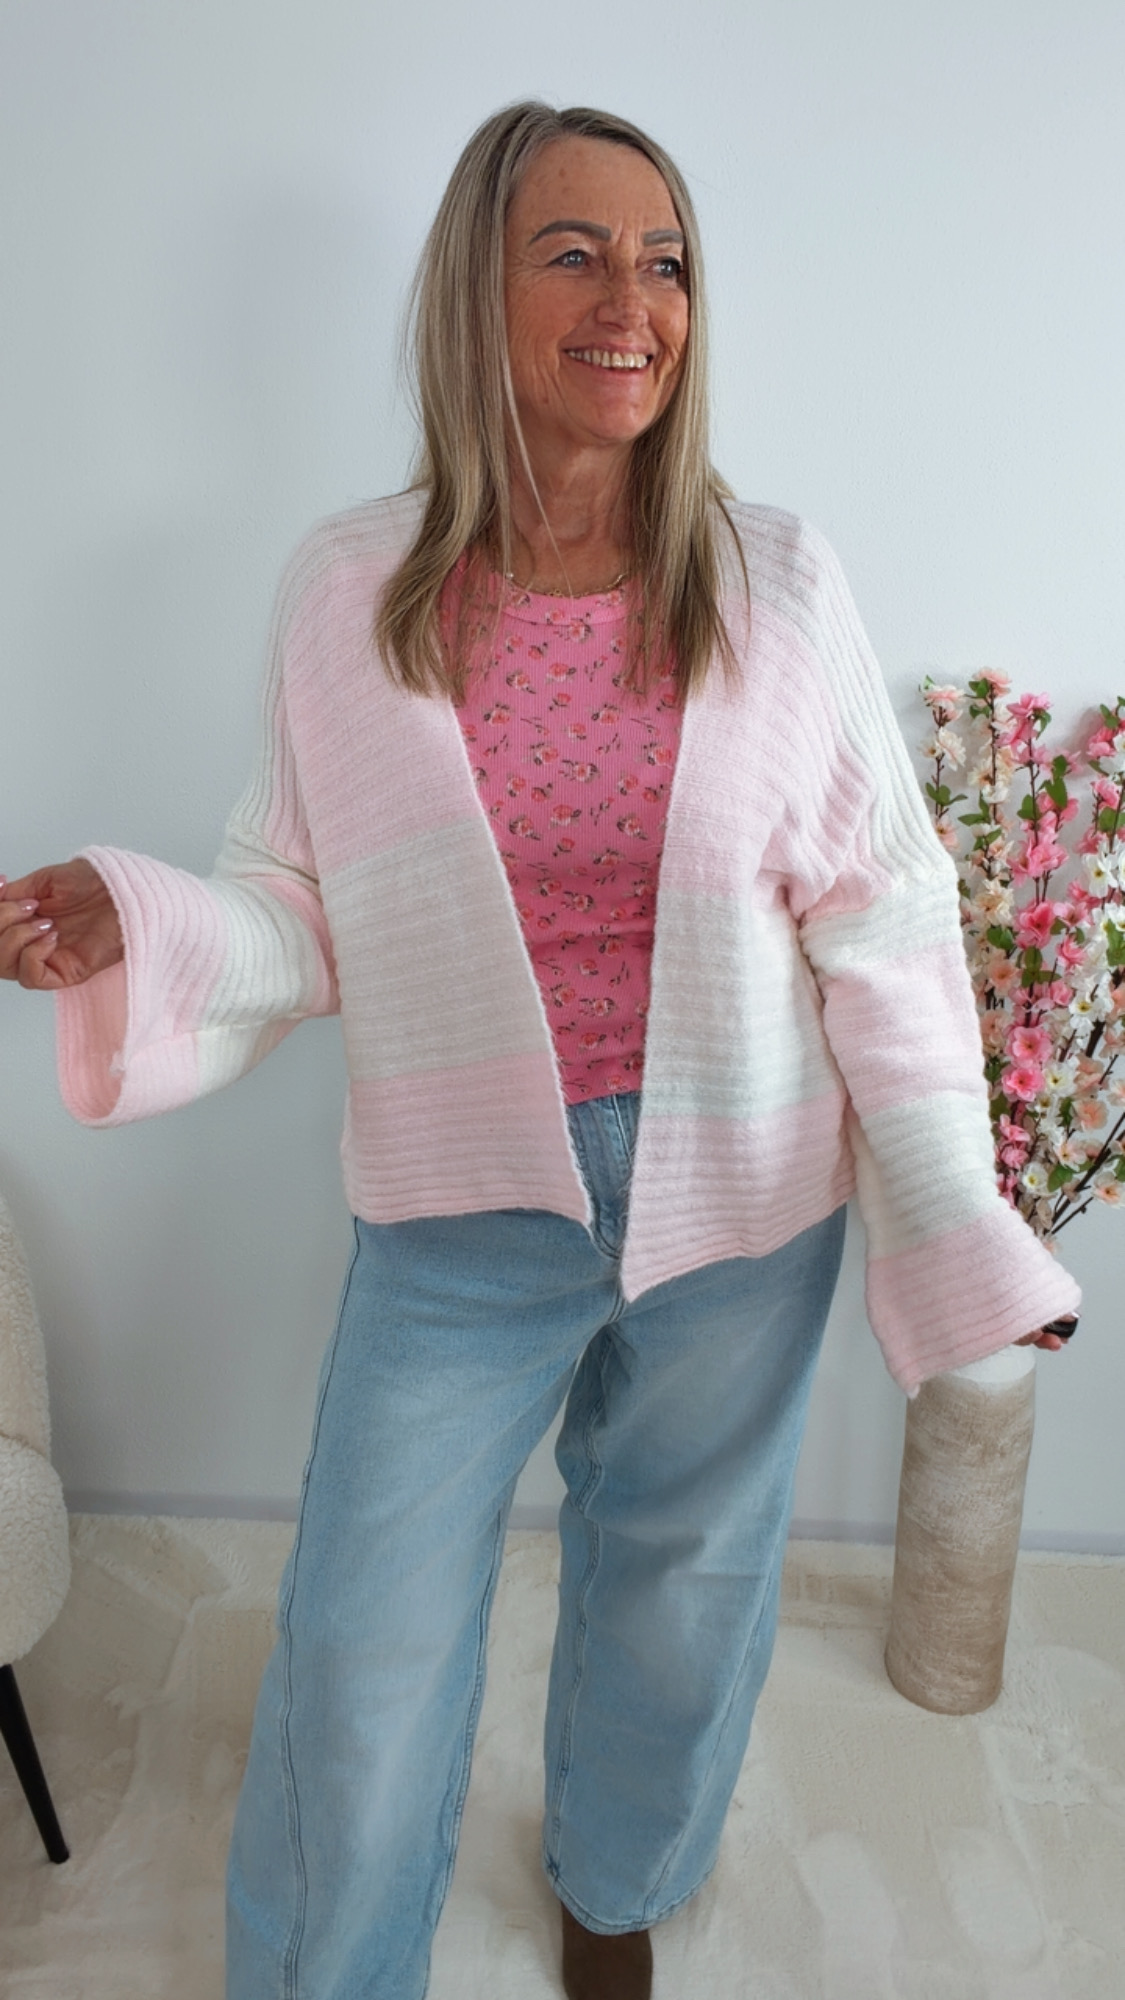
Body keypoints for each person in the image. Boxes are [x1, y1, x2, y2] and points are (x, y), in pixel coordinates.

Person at [0, 102, 1077, 2000]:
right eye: (572, 253)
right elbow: (299, 906)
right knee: (362, 1638)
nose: (629, 303)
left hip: (744, 1198)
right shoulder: (351, 593)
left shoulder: (773, 578)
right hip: (459, 1216)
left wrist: (952, 1218)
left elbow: (882, 914)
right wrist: (141, 918)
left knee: (682, 1586)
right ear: (472, 295)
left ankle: (616, 1882)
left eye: (664, 262)